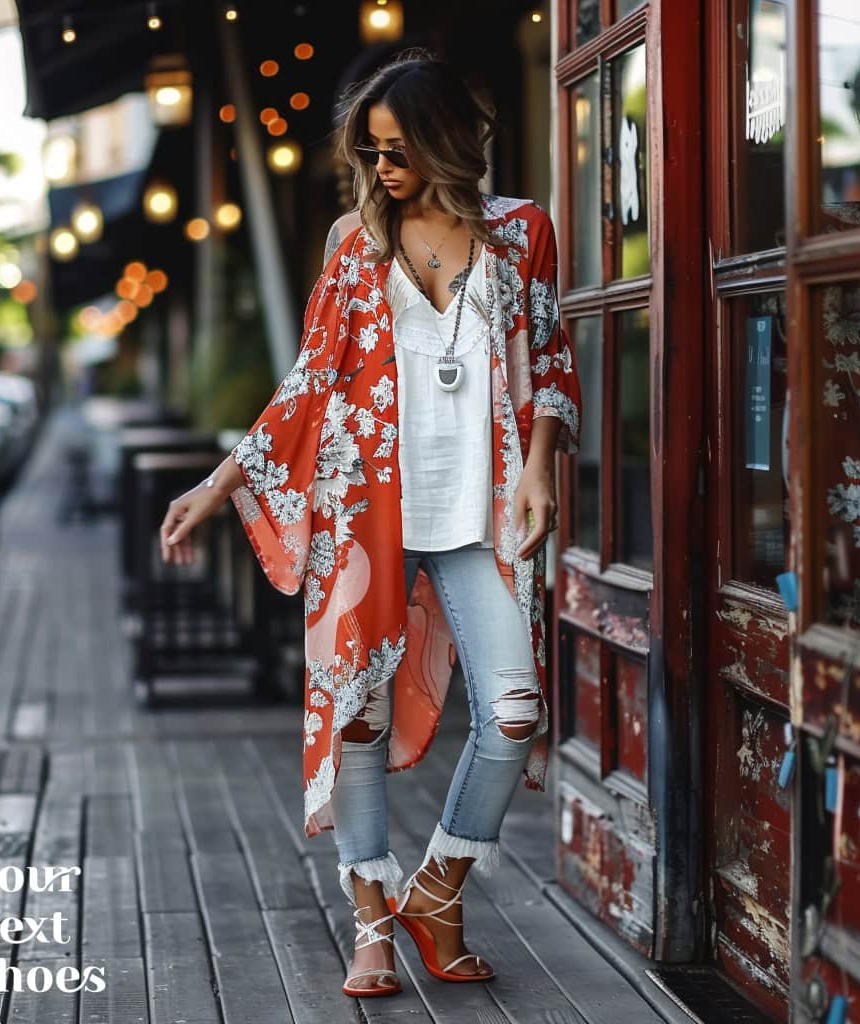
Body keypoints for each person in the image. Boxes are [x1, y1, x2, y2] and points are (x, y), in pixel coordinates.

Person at [159, 50, 582, 999]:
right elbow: (310, 384)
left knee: (513, 711)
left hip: (480, 515)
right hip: (368, 516)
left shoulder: (523, 235)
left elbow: (549, 359)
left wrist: (543, 468)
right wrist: (219, 486)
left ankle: (437, 889)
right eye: (371, 152)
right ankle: (371, 921)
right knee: (358, 719)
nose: (382, 169)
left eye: (396, 150)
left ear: (440, 143)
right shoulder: (354, 244)